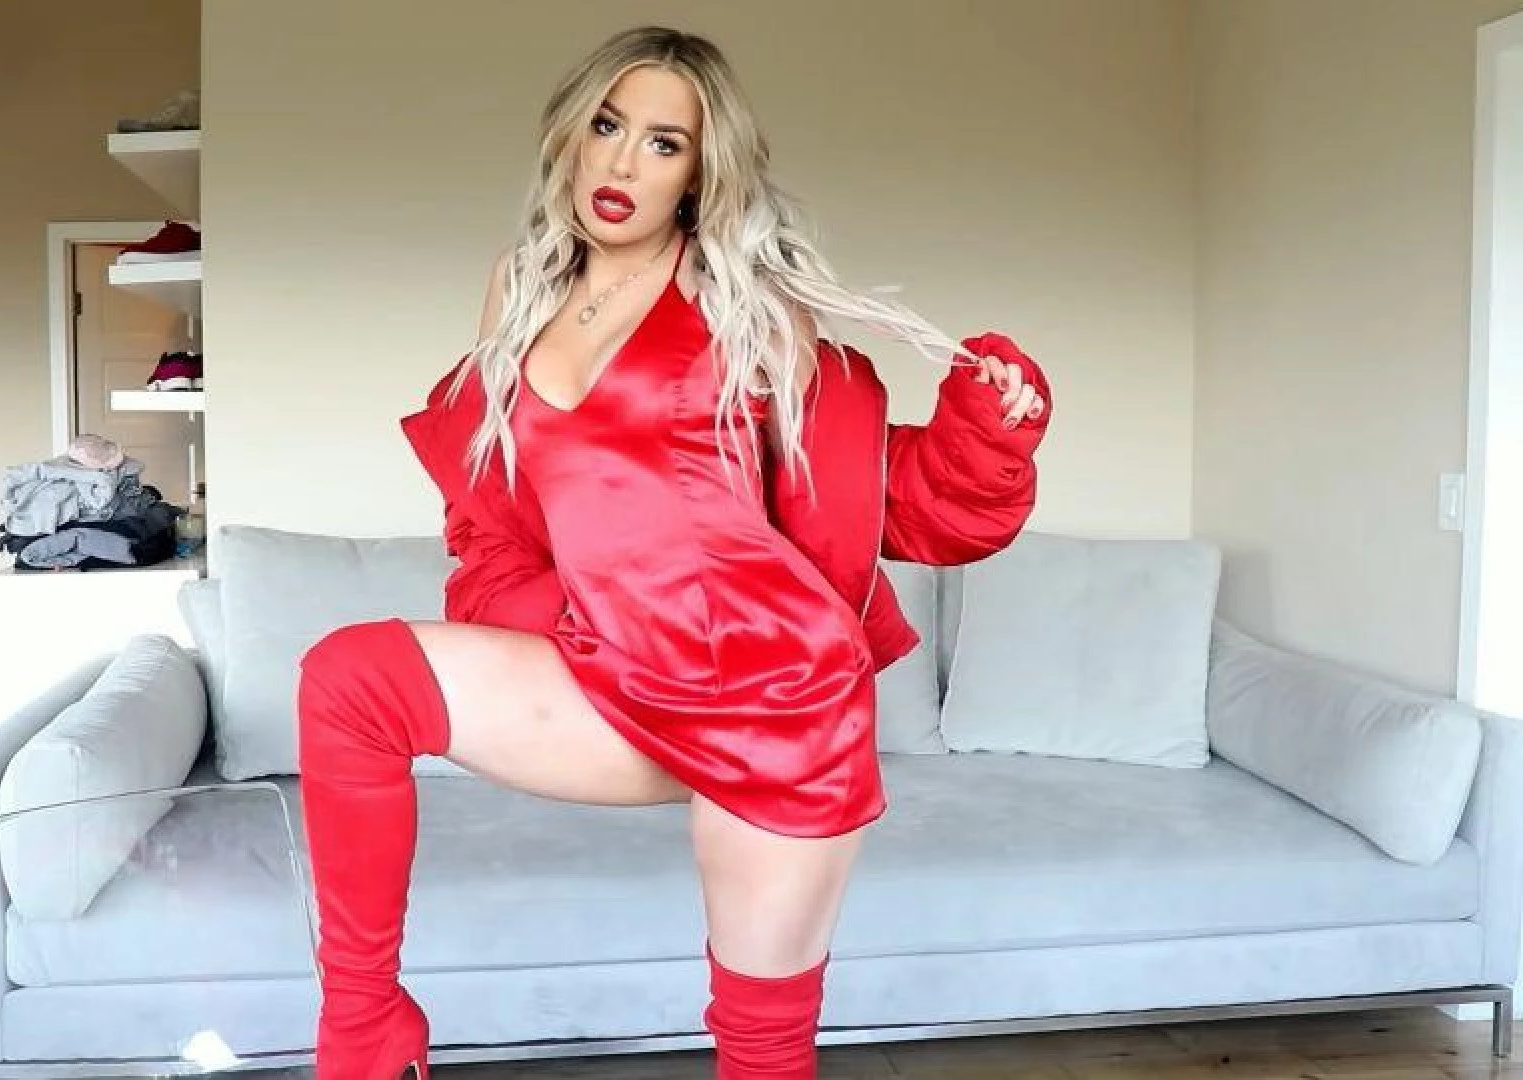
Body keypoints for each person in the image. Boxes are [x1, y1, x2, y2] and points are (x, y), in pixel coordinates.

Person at [294, 24, 1051, 1080]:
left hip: (770, 697)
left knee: (759, 1052)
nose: (622, 163)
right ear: (569, 134)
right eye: (608, 127)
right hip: (605, 671)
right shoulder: (520, 287)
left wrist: (987, 433)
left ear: (699, 173)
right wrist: (542, 607)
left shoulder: (743, 303)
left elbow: (875, 499)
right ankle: (366, 1029)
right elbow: (497, 502)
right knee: (349, 681)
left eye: (664, 143)